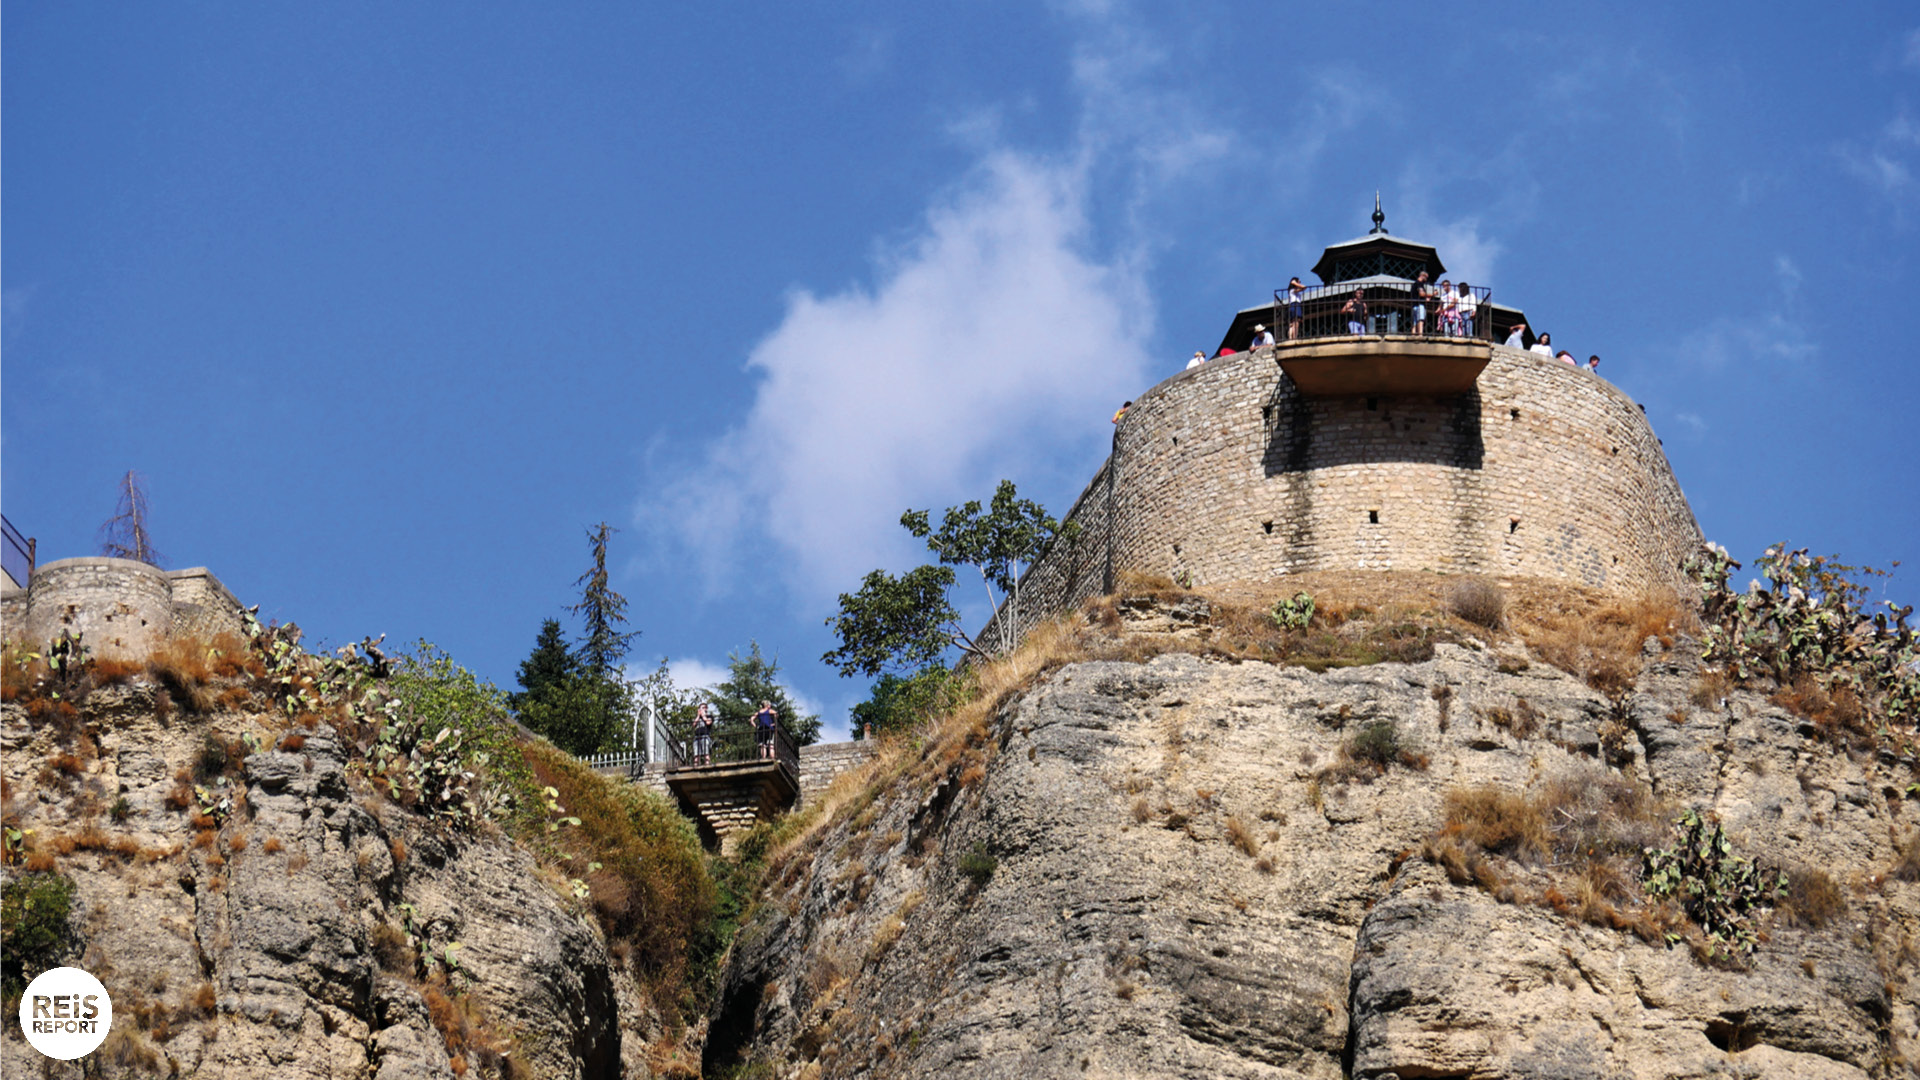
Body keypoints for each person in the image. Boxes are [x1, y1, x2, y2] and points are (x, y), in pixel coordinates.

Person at [691, 702, 714, 766]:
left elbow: (708, 722)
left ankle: (707, 765)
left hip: (705, 736)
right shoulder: (697, 718)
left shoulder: (709, 716)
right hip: (697, 737)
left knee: (706, 753)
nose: (703, 709)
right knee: (696, 754)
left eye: (704, 708)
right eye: (701, 708)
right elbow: (693, 725)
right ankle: (696, 766)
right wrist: (698, 716)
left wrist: (703, 716)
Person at [1411, 272, 1433, 336]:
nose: (1426, 279)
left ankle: (1413, 335)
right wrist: (1432, 294)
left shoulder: (1414, 284)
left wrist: (1426, 299)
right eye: (1426, 277)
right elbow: (1421, 294)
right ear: (1423, 276)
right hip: (1420, 305)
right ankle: (1420, 334)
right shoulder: (1419, 284)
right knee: (1420, 319)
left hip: (1414, 305)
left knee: (1414, 322)